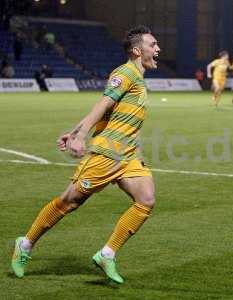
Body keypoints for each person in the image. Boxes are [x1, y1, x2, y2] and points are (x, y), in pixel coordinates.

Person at [11, 25, 161, 284]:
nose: (158, 49)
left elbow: (106, 111)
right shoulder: (125, 73)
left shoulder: (136, 77)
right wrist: (80, 136)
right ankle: (25, 244)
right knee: (69, 202)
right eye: (153, 44)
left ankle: (107, 253)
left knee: (146, 199)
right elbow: (102, 103)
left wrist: (74, 131)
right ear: (138, 50)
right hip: (107, 154)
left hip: (127, 156)